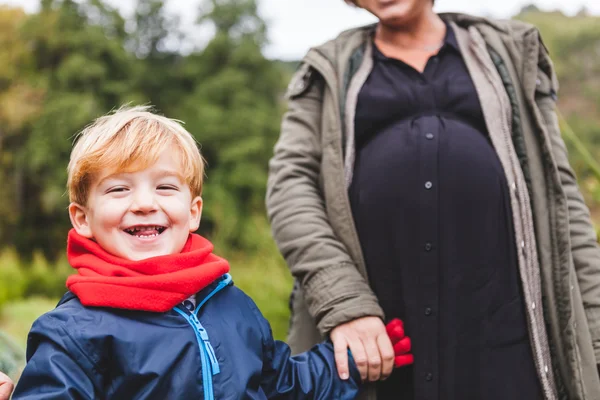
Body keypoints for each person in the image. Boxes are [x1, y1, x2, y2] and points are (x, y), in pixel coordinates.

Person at [266, 0, 600, 399]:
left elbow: (562, 200)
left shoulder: (509, 51)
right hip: (382, 343)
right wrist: (344, 303)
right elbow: (290, 187)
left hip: (507, 334)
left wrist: (596, 336)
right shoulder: (328, 68)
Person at [11, 106, 410, 399]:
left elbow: (282, 383)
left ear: (193, 212)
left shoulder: (232, 305)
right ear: (82, 218)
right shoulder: (73, 332)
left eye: (165, 187)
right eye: (119, 189)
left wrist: (352, 362)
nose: (145, 203)